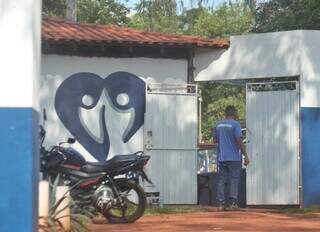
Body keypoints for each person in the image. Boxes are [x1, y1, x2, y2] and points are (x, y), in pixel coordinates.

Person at [213, 105, 250, 211]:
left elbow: (215, 140)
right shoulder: (236, 124)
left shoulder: (218, 125)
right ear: (234, 114)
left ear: (225, 113)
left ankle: (220, 204)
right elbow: (239, 140)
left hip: (222, 157)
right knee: (234, 180)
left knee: (221, 180)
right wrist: (245, 155)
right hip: (234, 157)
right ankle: (233, 203)